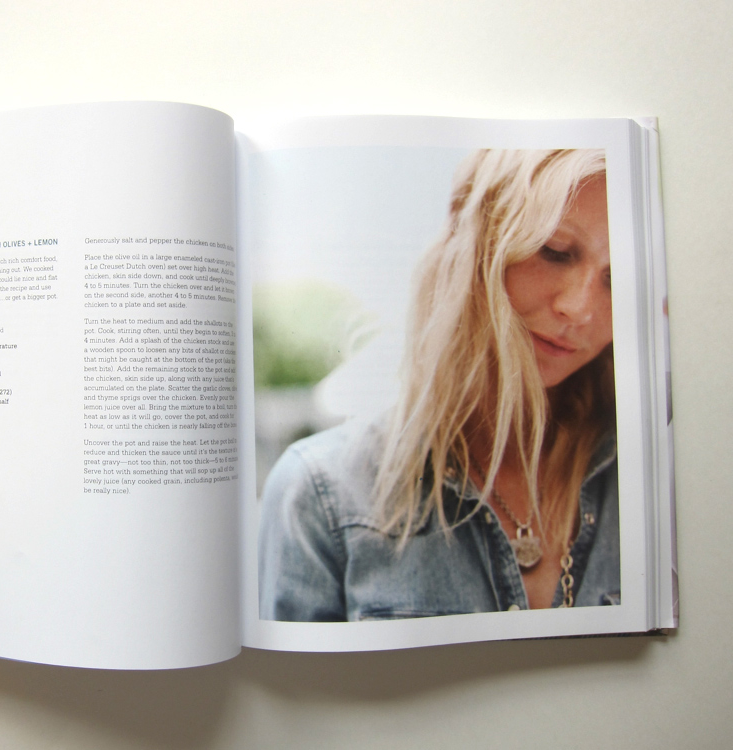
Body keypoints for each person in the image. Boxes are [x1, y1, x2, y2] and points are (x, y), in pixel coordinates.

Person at [258, 149, 619, 621]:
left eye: (618, 279)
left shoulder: (654, 475)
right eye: (554, 251)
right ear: (472, 247)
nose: (579, 308)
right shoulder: (321, 492)